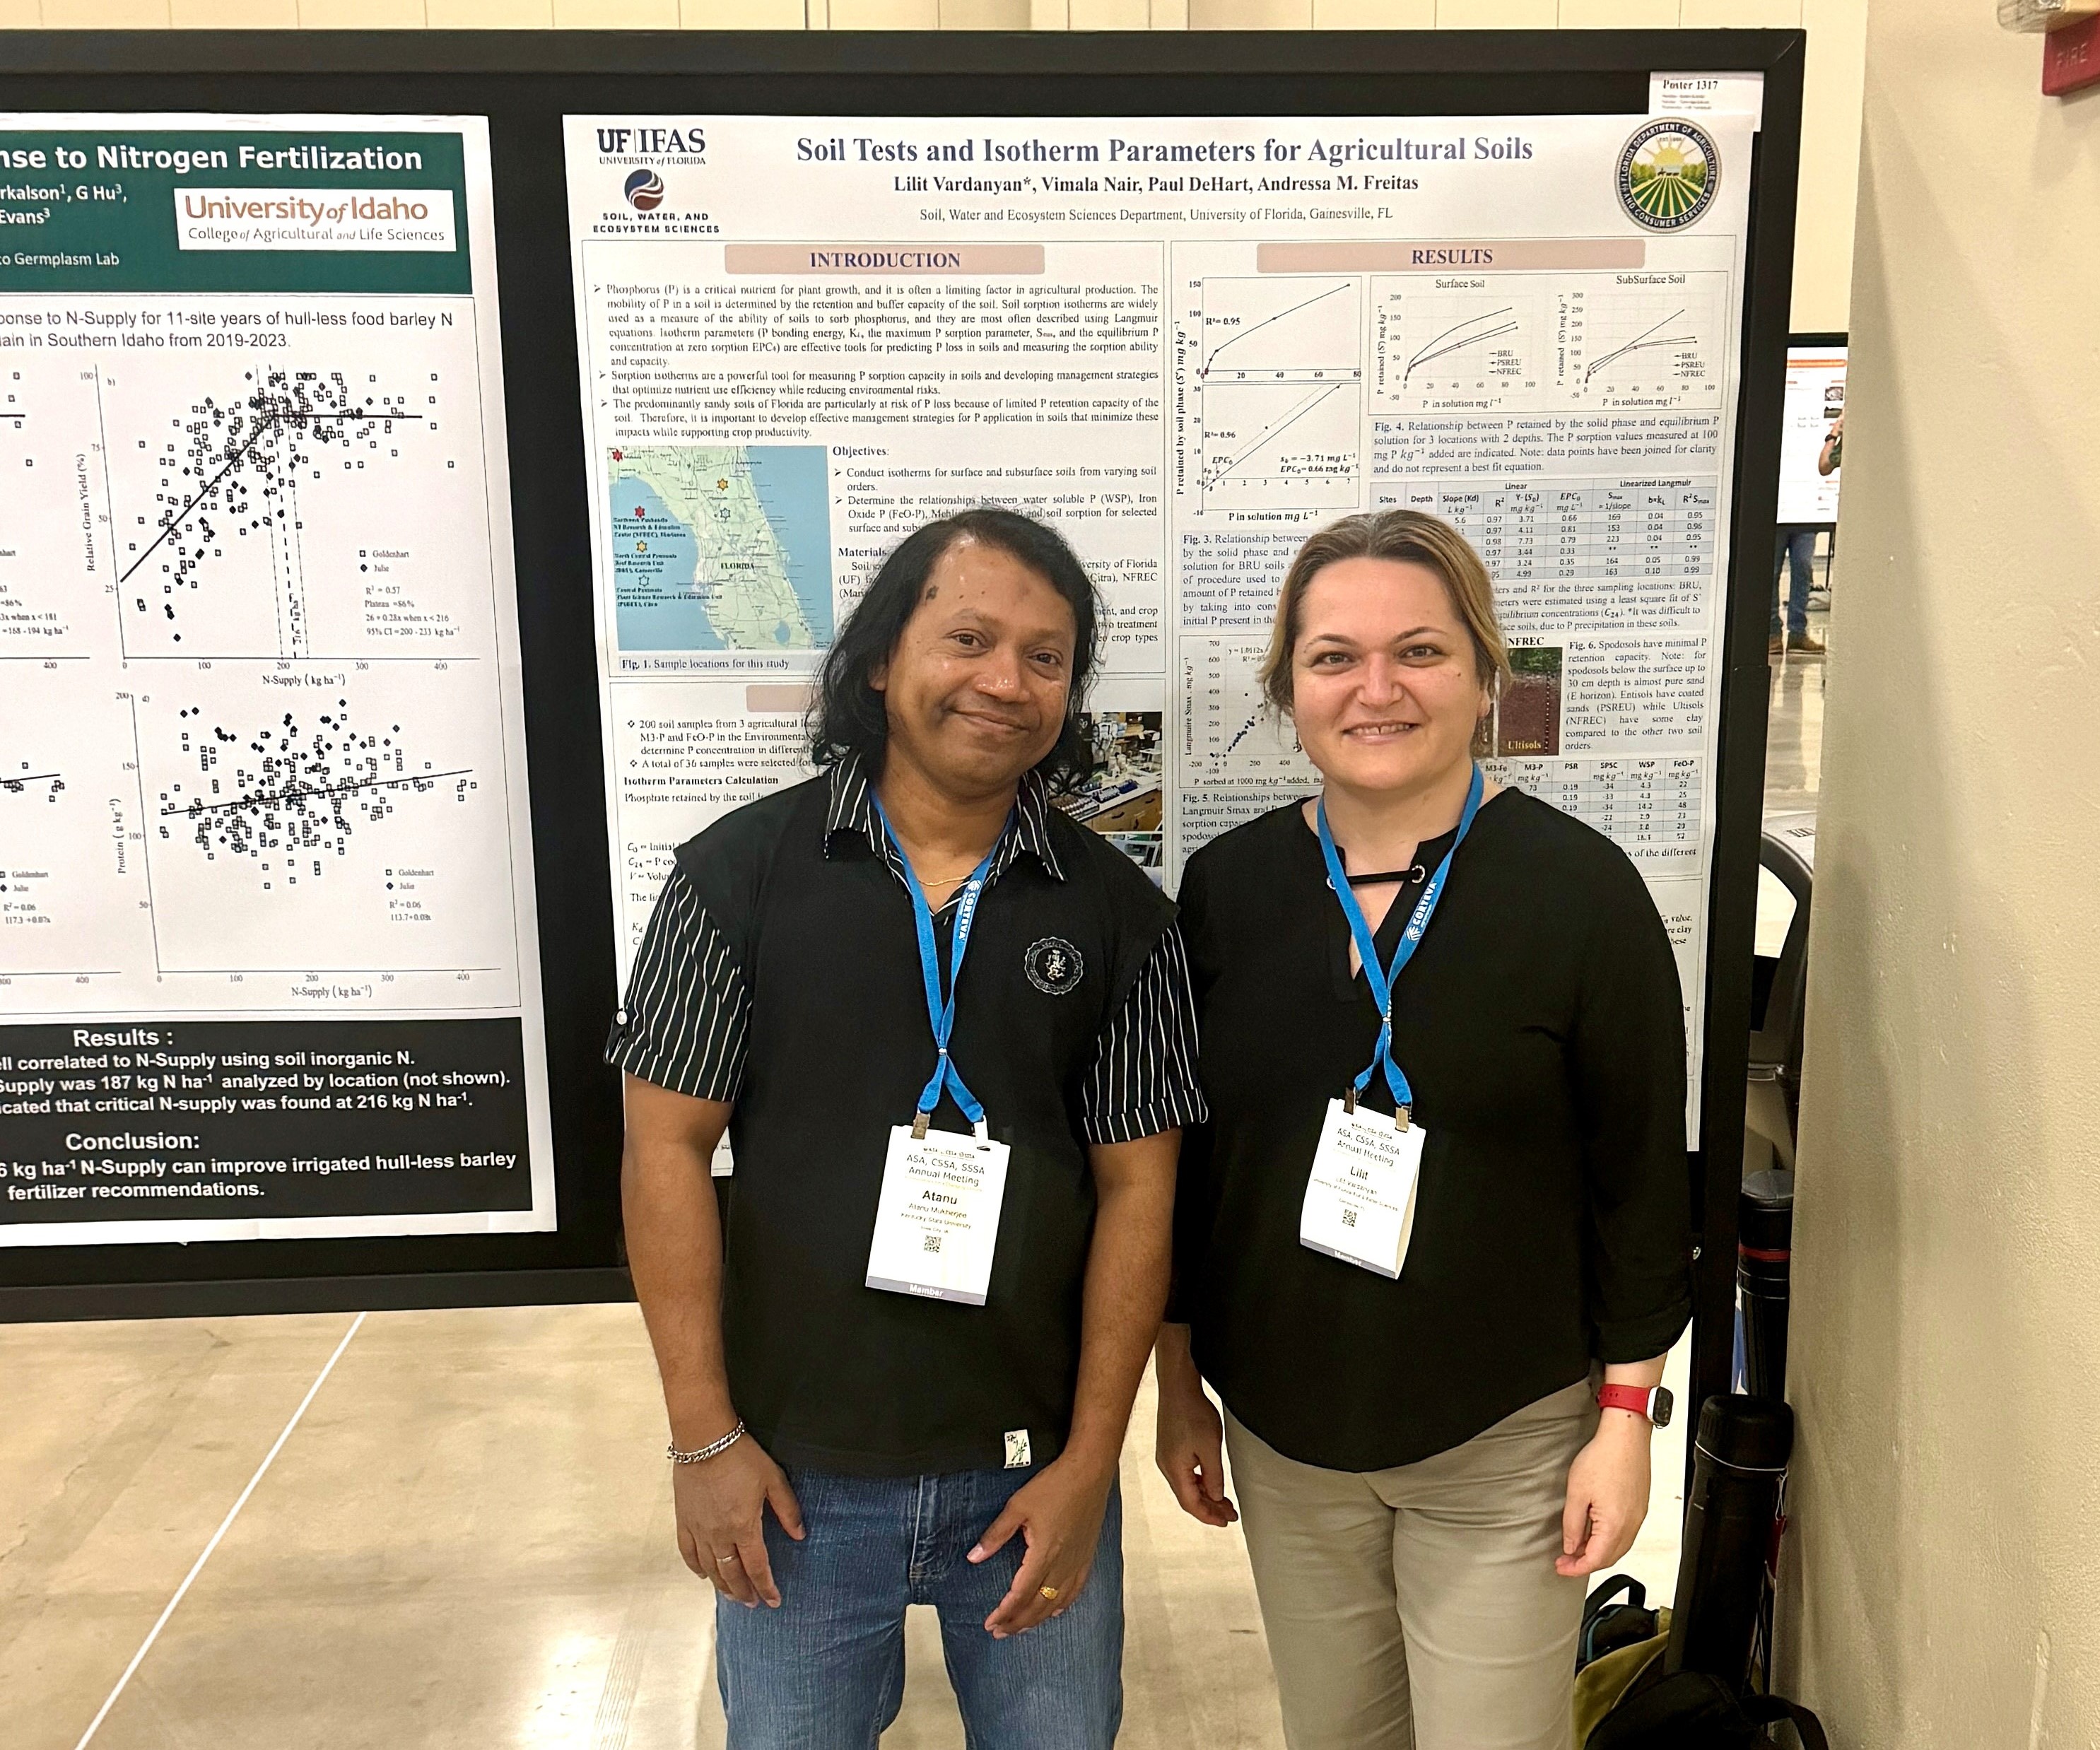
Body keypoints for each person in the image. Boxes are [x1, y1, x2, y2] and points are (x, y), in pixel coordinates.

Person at [610, 507, 1204, 1749]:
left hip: (1030, 1475)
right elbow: (663, 1150)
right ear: (883, 659)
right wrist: (701, 1439)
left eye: (1047, 658)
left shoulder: (1121, 917)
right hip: (794, 1482)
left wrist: (1093, 1459)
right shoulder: (738, 878)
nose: (1006, 681)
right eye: (971, 638)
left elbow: (1142, 1192)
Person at [1155, 510, 1693, 1750]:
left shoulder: (1580, 893)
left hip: (1504, 1439)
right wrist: (1181, 1389)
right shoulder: (1227, 892)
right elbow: (1199, 1175)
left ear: (1484, 675)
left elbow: (1638, 1185)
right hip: (1286, 1435)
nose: (1376, 689)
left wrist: (1624, 1424)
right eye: (1334, 656)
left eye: (1422, 652)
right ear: (1287, 685)